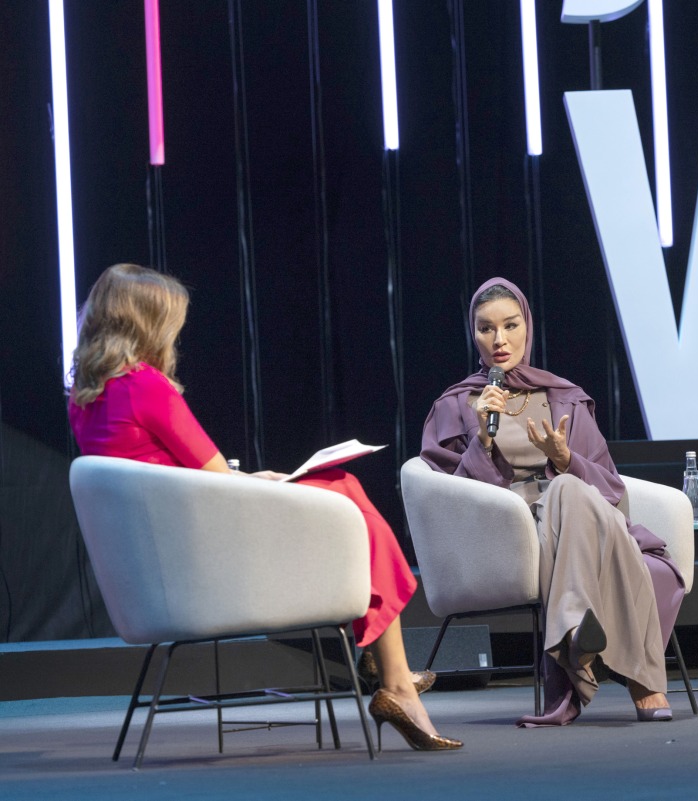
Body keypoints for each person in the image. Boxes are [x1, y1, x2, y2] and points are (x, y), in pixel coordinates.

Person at [68, 263, 461, 751]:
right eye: (171, 322)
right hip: (206, 563)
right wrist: (265, 481)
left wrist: (259, 480)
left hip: (161, 568)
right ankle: (392, 675)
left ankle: (387, 664)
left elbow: (170, 478)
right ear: (145, 324)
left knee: (338, 493)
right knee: (343, 488)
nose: (177, 333)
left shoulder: (86, 399)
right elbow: (214, 478)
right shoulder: (146, 385)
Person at [421, 277, 684, 726]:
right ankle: (645, 683)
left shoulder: (564, 396)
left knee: (568, 489)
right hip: (511, 531)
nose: (499, 340)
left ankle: (575, 636)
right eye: (486, 329)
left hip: (582, 521)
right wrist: (482, 440)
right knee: (569, 492)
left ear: (528, 326)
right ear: (474, 334)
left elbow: (611, 490)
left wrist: (566, 460)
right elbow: (450, 503)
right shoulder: (458, 404)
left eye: (510, 325)